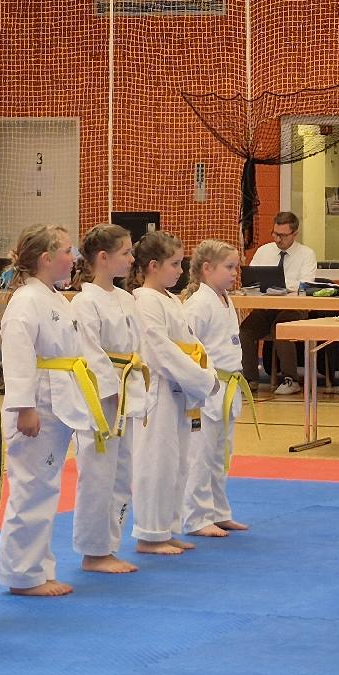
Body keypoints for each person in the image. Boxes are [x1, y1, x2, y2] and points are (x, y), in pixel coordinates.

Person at [0, 224, 109, 598]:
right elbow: (17, 357)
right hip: (37, 406)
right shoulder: (26, 301)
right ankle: (23, 574)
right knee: (31, 489)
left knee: (45, 489)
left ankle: (37, 569)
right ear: (46, 259)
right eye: (66, 250)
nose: (73, 257)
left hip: (58, 399)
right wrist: (24, 407)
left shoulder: (54, 298)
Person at [130, 230, 219, 556]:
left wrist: (207, 374)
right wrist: (201, 380)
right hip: (158, 389)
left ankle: (167, 527)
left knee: (178, 462)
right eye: (174, 264)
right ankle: (149, 534)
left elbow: (193, 344)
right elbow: (160, 351)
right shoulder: (144, 300)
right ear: (153, 266)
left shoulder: (169, 299)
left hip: (181, 390)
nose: (180, 271)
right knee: (156, 462)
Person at [70, 223, 144, 576]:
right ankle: (93, 551)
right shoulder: (84, 302)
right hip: (102, 397)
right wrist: (111, 391)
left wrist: (137, 388)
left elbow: (138, 346)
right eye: (126, 253)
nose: (131, 259)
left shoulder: (127, 298)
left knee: (121, 472)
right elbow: (90, 351)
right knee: (98, 474)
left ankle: (109, 545)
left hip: (127, 388)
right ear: (103, 257)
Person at [183, 239, 251, 539]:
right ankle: (196, 517)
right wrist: (196, 384)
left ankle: (219, 512)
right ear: (207, 268)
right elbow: (187, 349)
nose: (235, 273)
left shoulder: (225, 299)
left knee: (222, 454)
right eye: (229, 267)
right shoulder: (198, 304)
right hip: (207, 389)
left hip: (229, 386)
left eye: (236, 267)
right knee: (200, 456)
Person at [239, 211, 318, 395]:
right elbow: (253, 279)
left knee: (280, 328)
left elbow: (305, 284)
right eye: (275, 234)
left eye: (283, 235)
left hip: (294, 309)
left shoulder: (307, 254)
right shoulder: (264, 251)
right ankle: (250, 379)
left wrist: (281, 285)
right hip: (266, 308)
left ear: (294, 234)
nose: (277, 239)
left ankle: (291, 379)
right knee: (245, 330)